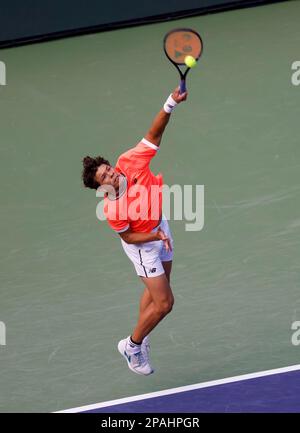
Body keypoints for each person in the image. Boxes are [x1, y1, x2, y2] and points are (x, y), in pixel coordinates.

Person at [82, 87, 187, 375]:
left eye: (107, 168)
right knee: (165, 303)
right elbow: (128, 237)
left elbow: (153, 135)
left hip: (159, 227)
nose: (111, 173)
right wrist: (154, 237)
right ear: (101, 186)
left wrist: (170, 104)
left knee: (157, 292)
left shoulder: (129, 161)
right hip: (144, 246)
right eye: (104, 175)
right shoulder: (113, 210)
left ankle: (144, 334)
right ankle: (132, 345)